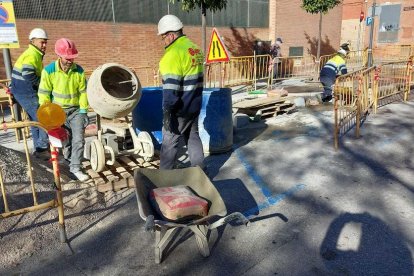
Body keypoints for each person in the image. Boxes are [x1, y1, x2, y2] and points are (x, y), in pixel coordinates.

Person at [38, 38, 90, 181]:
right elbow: (43, 94)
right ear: (59, 56)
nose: (70, 60)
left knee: (79, 140)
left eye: (72, 57)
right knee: (65, 141)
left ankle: (76, 168)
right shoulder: (49, 71)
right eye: (67, 58)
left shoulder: (79, 71)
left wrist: (84, 111)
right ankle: (69, 160)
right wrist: (48, 113)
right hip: (57, 112)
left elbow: (83, 92)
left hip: (75, 111)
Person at [157, 14, 204, 170]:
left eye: (163, 37)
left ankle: (163, 182)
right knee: (193, 138)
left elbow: (171, 92)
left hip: (180, 110)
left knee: (168, 146)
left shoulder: (172, 55)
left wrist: (167, 113)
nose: (163, 41)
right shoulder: (195, 50)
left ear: (170, 35)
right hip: (195, 105)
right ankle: (201, 174)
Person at [10, 28, 49, 159]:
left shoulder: (33, 53)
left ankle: (38, 149)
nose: (44, 45)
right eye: (42, 42)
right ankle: (42, 149)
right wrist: (43, 84)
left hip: (21, 91)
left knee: (34, 121)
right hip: (25, 92)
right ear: (33, 41)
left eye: (45, 42)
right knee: (43, 119)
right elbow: (28, 75)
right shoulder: (32, 55)